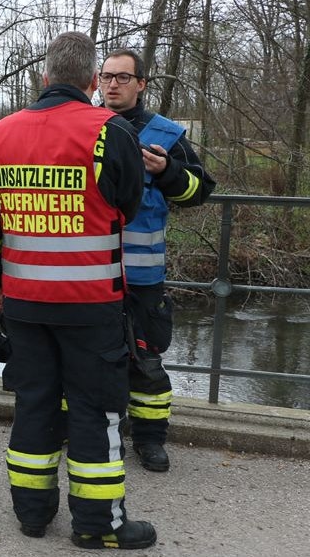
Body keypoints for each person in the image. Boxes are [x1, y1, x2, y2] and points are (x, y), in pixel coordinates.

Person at [0, 31, 156, 549]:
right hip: (90, 305)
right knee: (96, 411)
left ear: (44, 78)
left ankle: (32, 515)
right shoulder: (109, 131)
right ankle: (98, 526)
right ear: (92, 81)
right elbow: (130, 205)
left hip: (23, 305)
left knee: (34, 404)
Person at [100, 49, 216, 472]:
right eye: (107, 76)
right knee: (88, 360)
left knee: (147, 364)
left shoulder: (165, 134)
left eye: (123, 77)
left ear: (141, 84)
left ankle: (149, 441)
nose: (113, 84)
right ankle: (91, 434)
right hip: (92, 275)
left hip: (143, 277)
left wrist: (168, 171)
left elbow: (200, 192)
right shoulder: (85, 128)